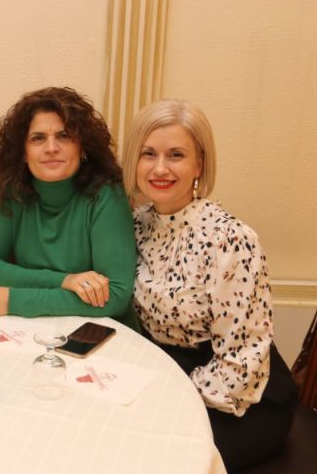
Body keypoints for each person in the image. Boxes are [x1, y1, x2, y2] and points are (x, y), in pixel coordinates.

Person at [122, 99, 297, 471]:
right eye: (148, 154)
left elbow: (241, 364)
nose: (160, 168)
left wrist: (166, 399)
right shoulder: (135, 224)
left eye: (176, 155)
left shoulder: (230, 240)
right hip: (167, 375)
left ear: (199, 164)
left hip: (240, 398)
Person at [0, 87, 136, 323]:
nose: (51, 148)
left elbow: (116, 296)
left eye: (64, 136)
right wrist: (65, 281)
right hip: (36, 328)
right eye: (38, 138)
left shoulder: (106, 194)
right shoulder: (13, 191)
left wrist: (13, 301)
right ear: (23, 152)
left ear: (82, 147)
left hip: (101, 331)